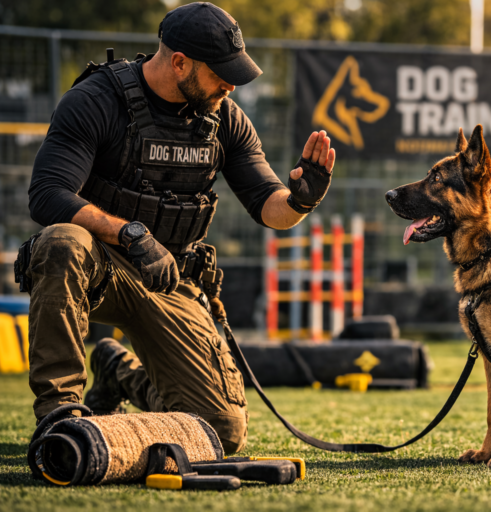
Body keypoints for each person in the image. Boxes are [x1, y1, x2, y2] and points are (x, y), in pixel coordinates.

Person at [21, 2, 335, 453]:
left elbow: (271, 208)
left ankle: (120, 374)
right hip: (100, 269)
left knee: (220, 433)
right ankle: (61, 416)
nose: (231, 85)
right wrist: (132, 234)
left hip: (171, 280)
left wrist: (304, 198)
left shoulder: (224, 117)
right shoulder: (96, 101)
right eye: (220, 73)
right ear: (180, 62)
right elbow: (47, 194)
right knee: (61, 241)